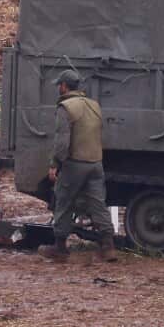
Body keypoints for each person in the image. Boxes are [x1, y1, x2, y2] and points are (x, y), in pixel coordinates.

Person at [38, 69, 117, 263]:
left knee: (63, 201)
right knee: (98, 204)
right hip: (95, 163)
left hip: (75, 164)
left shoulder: (65, 108)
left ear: (64, 86)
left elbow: (62, 142)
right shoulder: (94, 105)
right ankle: (108, 247)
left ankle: (60, 247)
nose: (59, 88)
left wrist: (54, 164)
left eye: (60, 85)